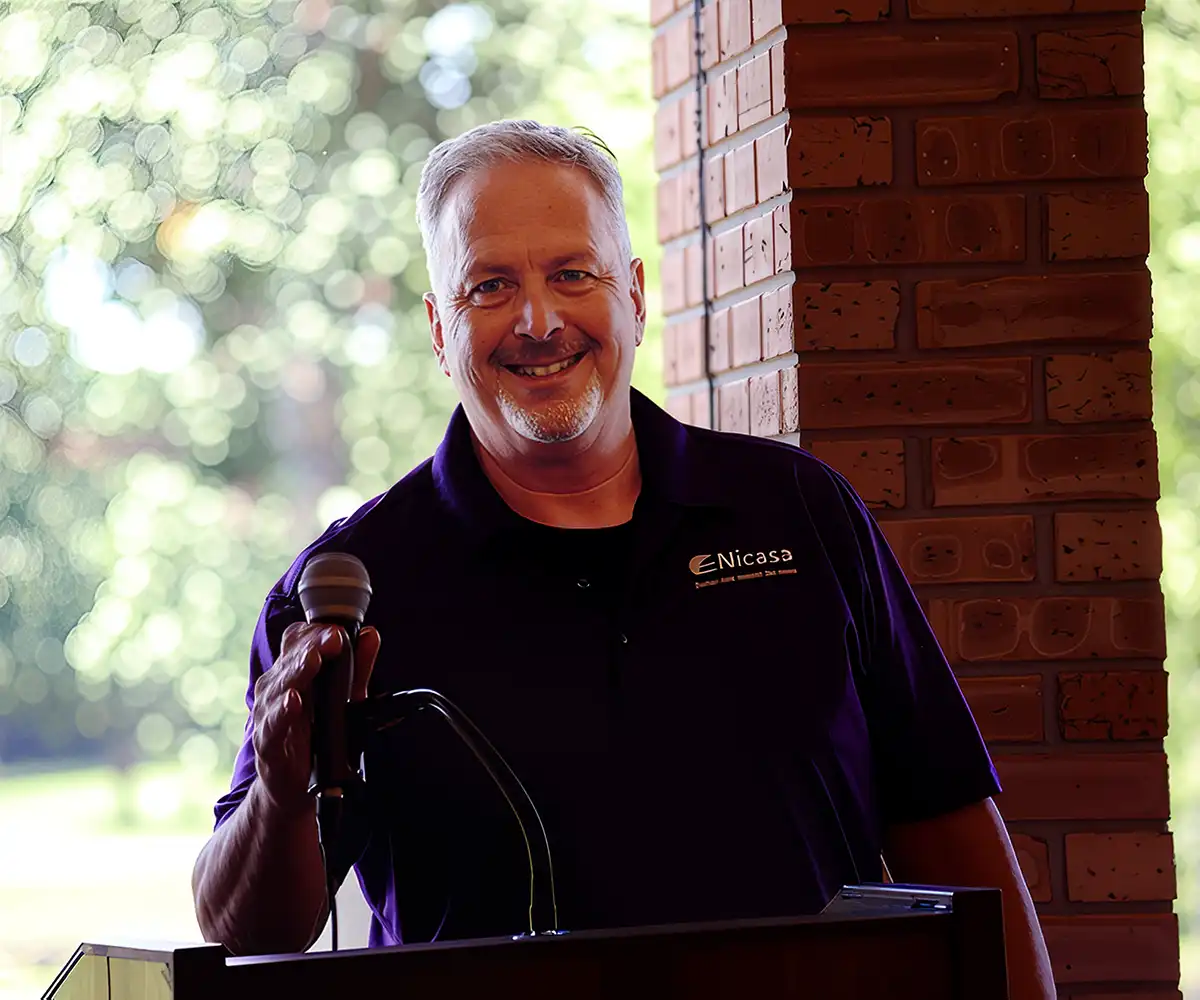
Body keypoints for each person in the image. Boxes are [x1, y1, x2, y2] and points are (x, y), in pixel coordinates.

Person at [191, 120, 1055, 997]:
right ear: (438, 330)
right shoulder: (345, 594)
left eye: (573, 274)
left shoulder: (801, 513)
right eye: (490, 286)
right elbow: (246, 931)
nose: (538, 321)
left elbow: (959, 854)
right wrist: (280, 793)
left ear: (635, 296)